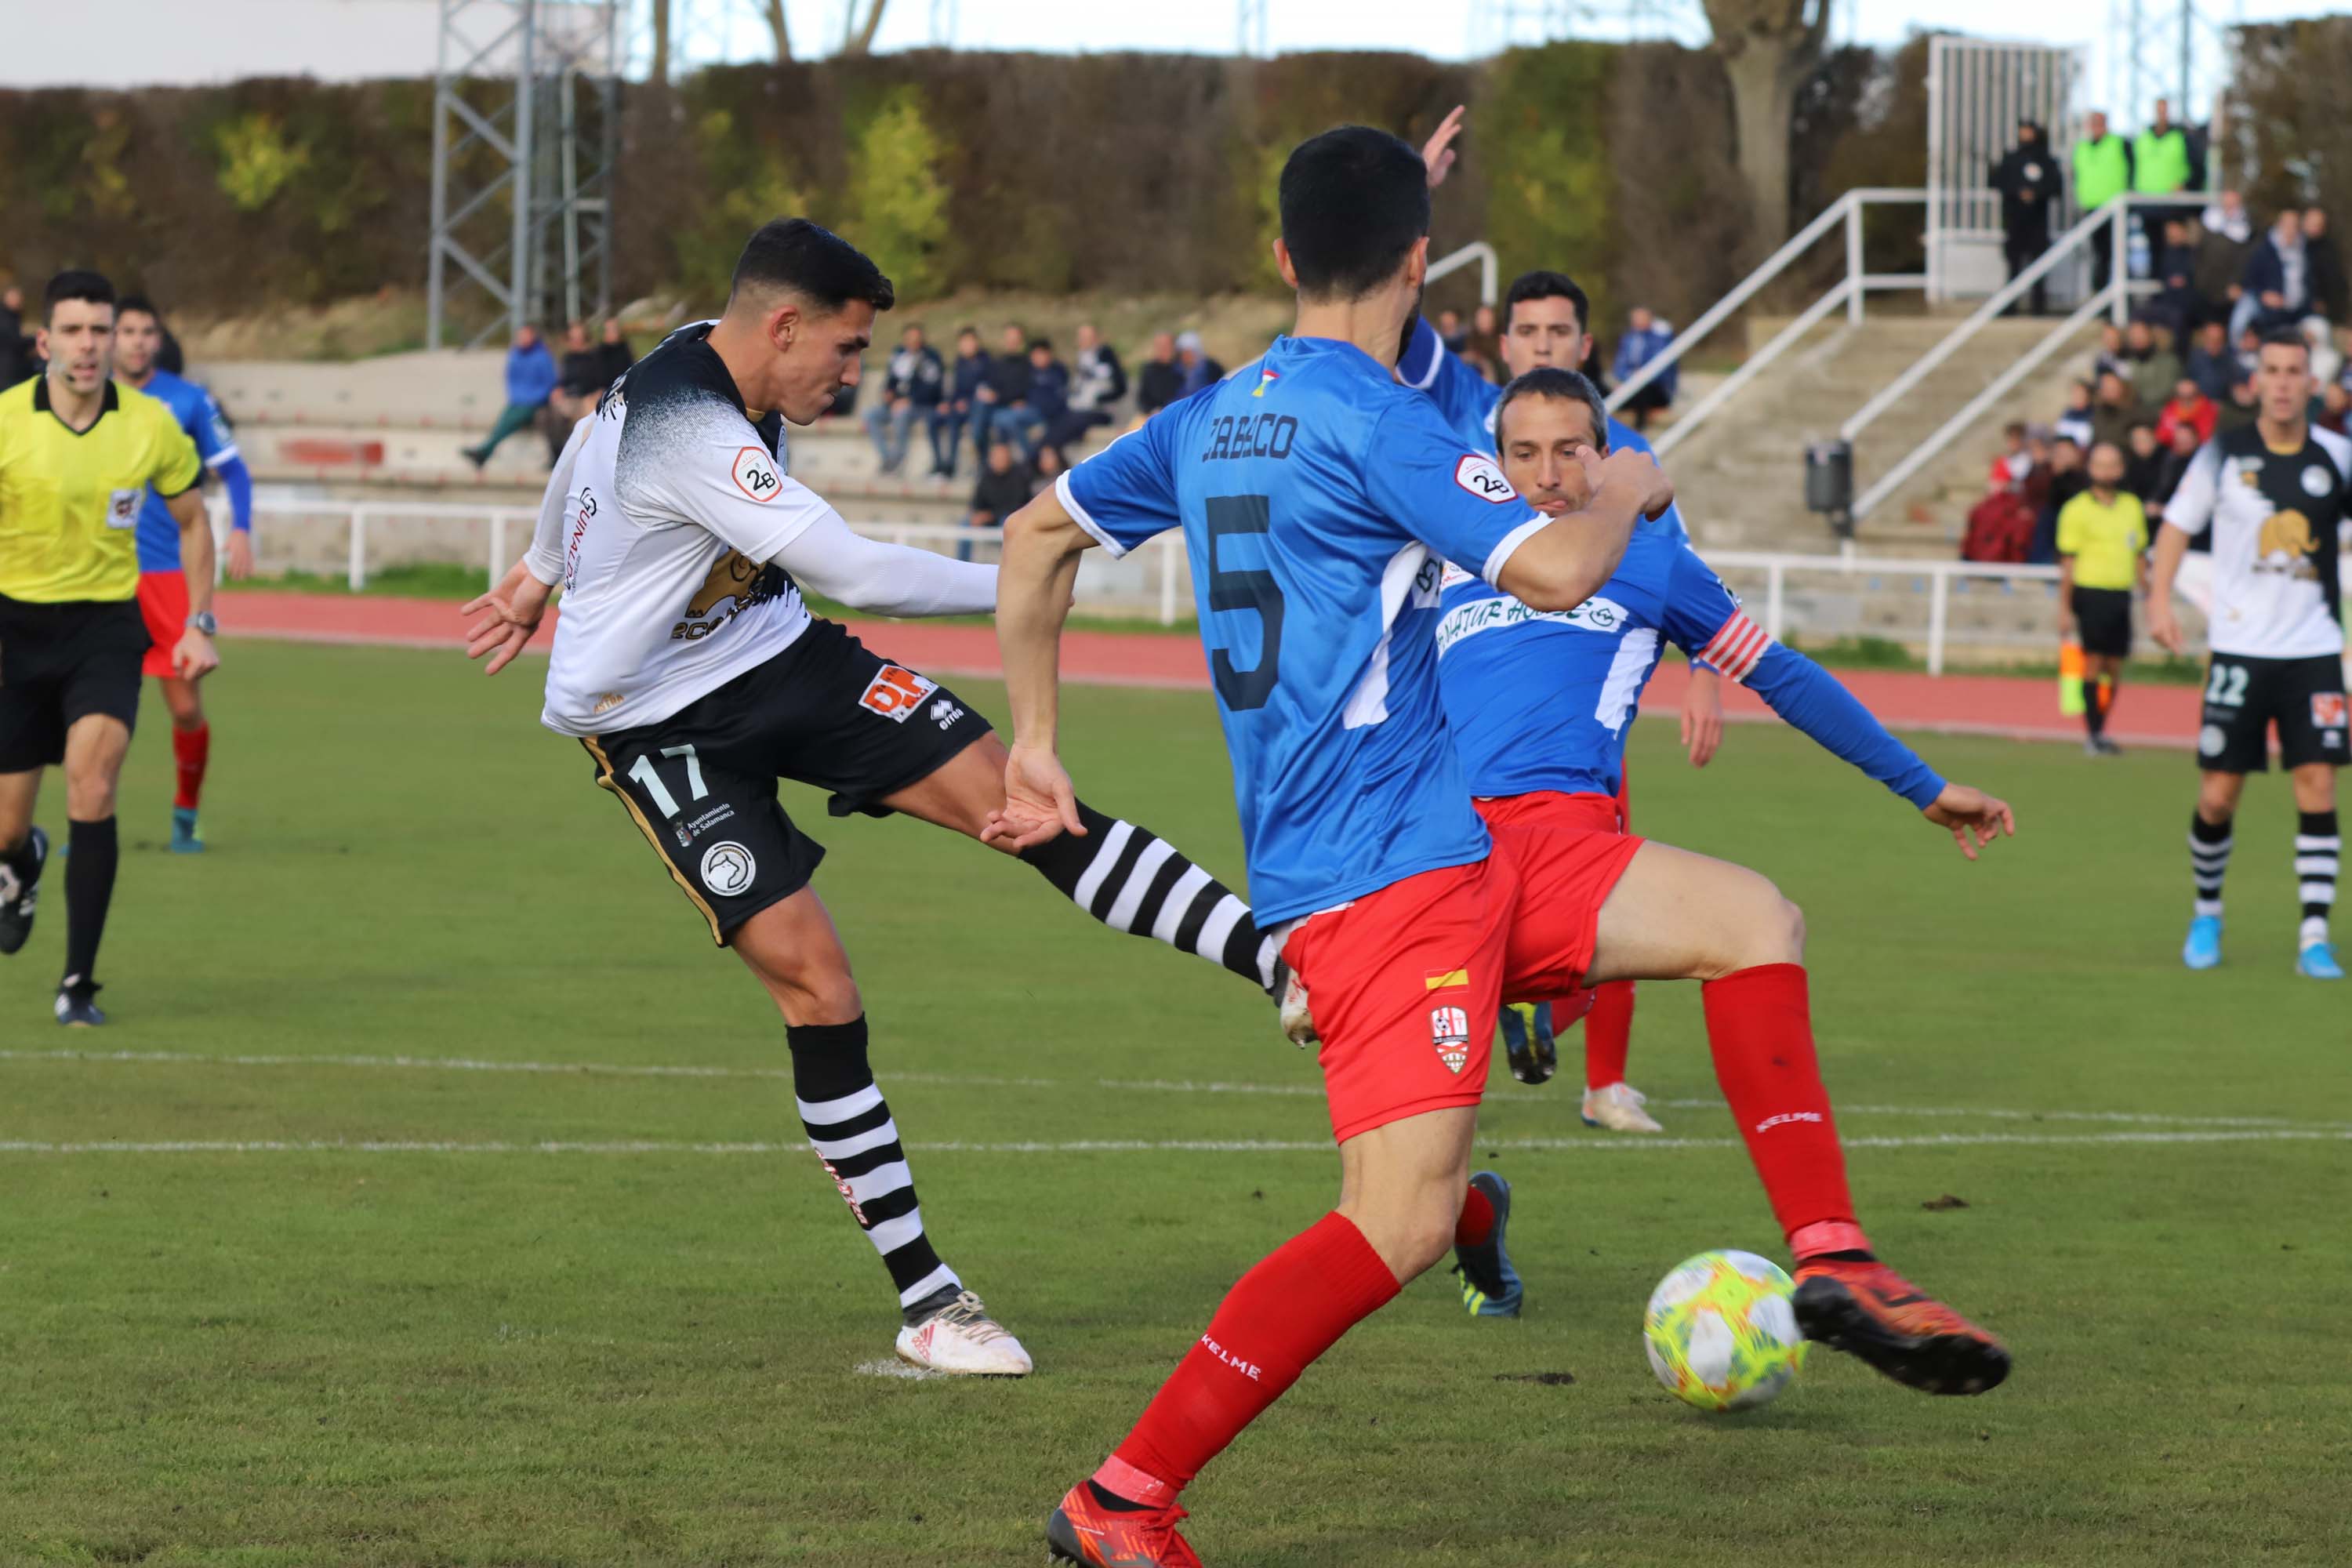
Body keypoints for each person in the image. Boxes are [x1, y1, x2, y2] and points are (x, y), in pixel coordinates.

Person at [993, 128, 2010, 1568]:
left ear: (1282, 259)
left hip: (1455, 854)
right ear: (1420, 264)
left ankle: (1837, 1256)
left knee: (1751, 918)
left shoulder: (1209, 419)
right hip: (1386, 887)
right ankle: (1121, 1499)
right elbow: (1557, 564)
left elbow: (1036, 540)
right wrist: (1633, 474)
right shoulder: (1382, 422)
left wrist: (1036, 738)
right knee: (1394, 1226)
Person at [460, 219, 1292, 1375]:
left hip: (778, 655)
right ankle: (930, 1299)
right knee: (820, 988)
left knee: (1031, 800)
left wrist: (538, 568)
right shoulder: (695, 423)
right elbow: (853, 568)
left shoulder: (701, 356)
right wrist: (1025, 580)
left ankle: (1282, 966)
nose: (854, 376)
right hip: (652, 723)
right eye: (846, 352)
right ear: (784, 326)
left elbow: (589, 438)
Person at [1437, 369, 2018, 1330]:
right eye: (1524, 452)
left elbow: (1780, 673)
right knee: (1405, 1201)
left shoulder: (1649, 560)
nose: (1547, 472)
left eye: (1570, 449)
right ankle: (1473, 1214)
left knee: (1760, 916)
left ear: (1606, 450)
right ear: (1495, 463)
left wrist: (1923, 785)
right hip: (1441, 864)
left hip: (1566, 850)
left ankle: (1835, 1251)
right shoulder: (1449, 552)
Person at [1394, 240, 1715, 1132]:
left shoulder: (1628, 461)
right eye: (1526, 331)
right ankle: (1480, 1008)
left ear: (1585, 345)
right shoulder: (1461, 427)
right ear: (1503, 345)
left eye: (1558, 331)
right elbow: (1387, 329)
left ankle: (1598, 1075)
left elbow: (1680, 575)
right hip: (1469, 700)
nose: (1541, 345)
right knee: (1455, 880)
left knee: (1607, 875)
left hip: (1579, 704)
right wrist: (1399, 220)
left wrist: (1703, 675)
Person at [0, 270, 219, 1027]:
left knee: (93, 786)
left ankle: (77, 984)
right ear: (44, 342)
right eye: (74, 331)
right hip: (14, 631)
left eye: (101, 330)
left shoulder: (151, 424)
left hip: (104, 629)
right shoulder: (5, 421)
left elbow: (194, 521)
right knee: (4, 826)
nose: (89, 346)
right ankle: (19, 859)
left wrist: (199, 621)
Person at [2151, 327, 2351, 980]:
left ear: (2312, 383)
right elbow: (2177, 526)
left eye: (2296, 371)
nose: (2285, 382)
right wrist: (2158, 604)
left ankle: (2314, 936)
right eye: (2274, 370)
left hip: (2316, 650)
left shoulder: (2339, 456)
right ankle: (2207, 912)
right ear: (2255, 381)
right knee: (2218, 796)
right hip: (2238, 651)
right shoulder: (2224, 453)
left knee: (2318, 784)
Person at [111, 296, 256, 852]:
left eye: (147, 331)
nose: (138, 341)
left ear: (157, 339)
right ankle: (90, 817)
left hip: (170, 576)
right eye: (127, 331)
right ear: (112, 338)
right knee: (96, 707)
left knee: (186, 707)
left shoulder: (186, 400)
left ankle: (185, 814)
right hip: (106, 575)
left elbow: (234, 470)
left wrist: (241, 528)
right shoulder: (88, 401)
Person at [2056, 441, 2149, 757]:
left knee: (2115, 665)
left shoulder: (2132, 507)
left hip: (2120, 594)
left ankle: (2102, 729)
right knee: (2094, 661)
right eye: (2100, 464)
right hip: (2091, 591)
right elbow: (2067, 563)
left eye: (2113, 464)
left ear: (2121, 469)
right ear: (2090, 468)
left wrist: (2151, 595)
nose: (2107, 470)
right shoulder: (2076, 509)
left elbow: (2139, 555)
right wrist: (2064, 608)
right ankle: (2093, 733)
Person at [462, 324, 557, 469]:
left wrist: (531, 398)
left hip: (534, 402)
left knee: (508, 420)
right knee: (505, 420)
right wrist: (518, 397)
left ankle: (484, 451)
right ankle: (484, 451)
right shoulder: (515, 355)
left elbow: (549, 383)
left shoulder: (542, 357)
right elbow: (512, 380)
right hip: (518, 401)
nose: (522, 339)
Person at [1991, 120, 2061, 315]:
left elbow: (2055, 186)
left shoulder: (2046, 160)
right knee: (2014, 263)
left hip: (2038, 220)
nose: (2026, 135)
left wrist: (2036, 194)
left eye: (2029, 131)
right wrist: (2017, 192)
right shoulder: (2011, 158)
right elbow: (1999, 182)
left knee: (2039, 263)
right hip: (2015, 219)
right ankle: (2011, 305)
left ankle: (2039, 307)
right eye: (2023, 131)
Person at [859, 322, 942, 475]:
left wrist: (910, 400)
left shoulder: (931, 357)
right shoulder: (898, 355)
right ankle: (888, 459)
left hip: (920, 405)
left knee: (901, 413)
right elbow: (891, 380)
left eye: (916, 338)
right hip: (894, 404)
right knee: (870, 415)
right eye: (910, 338)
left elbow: (934, 388)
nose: (913, 342)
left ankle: (898, 459)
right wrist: (888, 393)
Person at [2072, 110, 2133, 297]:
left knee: (2115, 252)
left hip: (2114, 208)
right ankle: (2099, 292)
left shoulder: (2119, 144)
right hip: (2091, 207)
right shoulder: (2082, 147)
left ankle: (2115, 296)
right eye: (2094, 123)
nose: (2097, 127)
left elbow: (2132, 170)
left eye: (2100, 123)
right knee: (2098, 253)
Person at [2234, 209, 2308, 346]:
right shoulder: (2263, 251)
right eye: (2287, 225)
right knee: (2241, 319)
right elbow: (2250, 281)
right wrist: (2264, 296)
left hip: (2299, 310)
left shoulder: (2305, 252)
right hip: (2267, 308)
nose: (2291, 230)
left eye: (2295, 226)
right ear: (2279, 226)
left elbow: (2309, 284)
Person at [1050, 321, 1126, 451]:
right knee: (1056, 419)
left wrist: (1098, 399)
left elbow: (1119, 387)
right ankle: (1047, 452)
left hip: (1100, 411)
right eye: (1081, 337)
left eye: (1087, 338)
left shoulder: (1105, 356)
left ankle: (1046, 451)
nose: (1083, 341)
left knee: (1070, 423)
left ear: (1096, 339)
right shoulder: (1081, 357)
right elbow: (1076, 387)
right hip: (1080, 408)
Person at [967, 321, 1033, 459]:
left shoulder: (1027, 363)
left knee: (1002, 419)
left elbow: (1023, 389)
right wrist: (988, 393)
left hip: (1014, 405)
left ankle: (1029, 459)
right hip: (996, 405)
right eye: (1008, 338)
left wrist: (998, 396)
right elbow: (992, 384)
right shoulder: (998, 362)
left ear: (1021, 341)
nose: (1011, 342)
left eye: (1015, 339)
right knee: (981, 405)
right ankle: (978, 445)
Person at [2132, 98, 2194, 237]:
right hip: (2147, 202)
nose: (2162, 114)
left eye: (2164, 110)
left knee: (2173, 246)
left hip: (2172, 203)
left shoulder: (2181, 137)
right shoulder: (2143, 138)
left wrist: (2186, 185)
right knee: (2154, 247)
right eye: (2159, 110)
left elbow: (2196, 166)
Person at [931, 325, 987, 477]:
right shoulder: (959, 362)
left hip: (977, 408)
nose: (966, 346)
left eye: (970, 342)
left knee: (976, 430)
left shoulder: (985, 362)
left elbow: (984, 391)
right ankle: (944, 464)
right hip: (959, 407)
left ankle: (980, 465)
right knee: (940, 419)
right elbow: (955, 390)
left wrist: (967, 403)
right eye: (963, 342)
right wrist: (947, 403)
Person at [1610, 305, 1678, 431]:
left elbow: (1661, 369)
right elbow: (1619, 367)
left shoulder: (1659, 340)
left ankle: (1639, 430)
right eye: (1635, 319)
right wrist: (1629, 377)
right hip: (1631, 385)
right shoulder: (1628, 339)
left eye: (1641, 319)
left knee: (1641, 390)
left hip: (1653, 389)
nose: (1637, 322)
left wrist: (1640, 376)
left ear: (1650, 320)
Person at [964, 437, 1031, 560]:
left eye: (1002, 456)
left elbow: (1017, 506)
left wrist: (990, 515)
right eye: (995, 457)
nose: (998, 460)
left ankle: (1009, 564)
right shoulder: (986, 475)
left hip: (1011, 518)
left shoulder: (1019, 475)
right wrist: (977, 514)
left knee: (1006, 523)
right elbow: (977, 501)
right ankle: (962, 563)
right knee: (965, 524)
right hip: (989, 519)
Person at [2123, 318, 2182, 412]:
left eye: (2141, 334)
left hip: (2164, 412)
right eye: (2133, 335)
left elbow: (2167, 391)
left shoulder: (2168, 361)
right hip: (2136, 414)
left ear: (2150, 335)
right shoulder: (2129, 363)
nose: (2137, 339)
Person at [2305, 207, 2346, 326]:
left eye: (2318, 225)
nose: (2314, 228)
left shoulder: (2329, 251)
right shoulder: (2297, 247)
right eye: (2311, 224)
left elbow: (2334, 282)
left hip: (2319, 309)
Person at [2156, 376, 2218, 450]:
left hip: (2199, 451)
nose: (2186, 401)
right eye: (2181, 396)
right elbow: (2161, 435)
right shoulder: (2171, 408)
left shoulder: (2208, 409)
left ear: (2198, 394)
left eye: (2190, 396)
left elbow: (2206, 438)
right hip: (2173, 451)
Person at [1134, 331, 1182, 420]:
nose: (1163, 350)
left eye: (1166, 346)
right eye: (1160, 346)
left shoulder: (1182, 368)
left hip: (1177, 415)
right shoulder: (1149, 369)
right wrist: (1151, 410)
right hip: (1153, 416)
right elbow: (1142, 398)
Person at [1172, 331, 1223, 397]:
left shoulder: (1211, 368)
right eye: (1183, 353)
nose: (1186, 356)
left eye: (1189, 352)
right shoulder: (1176, 371)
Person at [595, 318, 635, 388]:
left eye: (615, 329)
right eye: (611, 330)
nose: (614, 332)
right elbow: (601, 379)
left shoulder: (624, 347)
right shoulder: (600, 352)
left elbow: (631, 368)